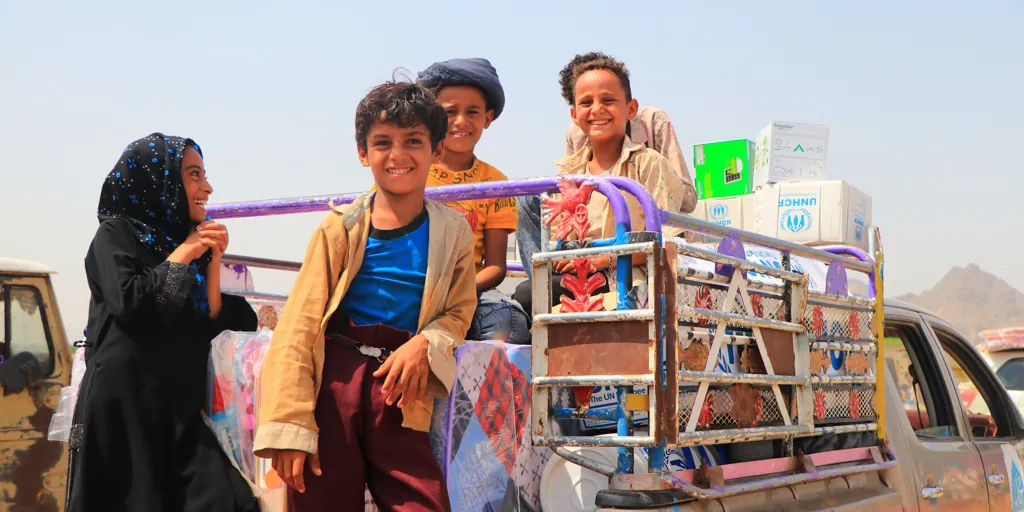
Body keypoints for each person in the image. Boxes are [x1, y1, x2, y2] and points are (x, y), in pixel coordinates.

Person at [254, 81, 477, 512]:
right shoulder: (341, 228)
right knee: (322, 498)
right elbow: (299, 326)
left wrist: (425, 343)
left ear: (436, 150)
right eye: (382, 143)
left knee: (422, 501)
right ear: (363, 154)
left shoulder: (454, 232)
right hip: (335, 379)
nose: (398, 155)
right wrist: (289, 426)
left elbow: (458, 312)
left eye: (413, 141)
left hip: (402, 384)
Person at [67, 133, 259, 512]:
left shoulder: (186, 247)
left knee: (228, 500)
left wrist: (213, 260)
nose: (207, 187)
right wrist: (188, 251)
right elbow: (131, 302)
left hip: (180, 412)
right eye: (193, 175)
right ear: (161, 181)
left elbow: (213, 328)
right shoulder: (115, 234)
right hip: (125, 413)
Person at [512, 53, 688, 316]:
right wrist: (569, 259)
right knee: (525, 293)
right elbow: (561, 238)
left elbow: (667, 243)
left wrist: (602, 260)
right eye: (586, 103)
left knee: (528, 294)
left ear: (630, 109)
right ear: (574, 115)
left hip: (626, 276)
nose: (596, 109)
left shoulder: (649, 164)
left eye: (608, 100)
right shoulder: (570, 171)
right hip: (581, 273)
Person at [415, 57, 530, 345]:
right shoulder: (411, 170)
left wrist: (459, 290)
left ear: (487, 118)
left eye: (473, 112)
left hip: (471, 289)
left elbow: (495, 267)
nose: (461, 121)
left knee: (509, 321)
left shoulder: (495, 183)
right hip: (414, 284)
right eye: (450, 111)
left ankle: (477, 390)